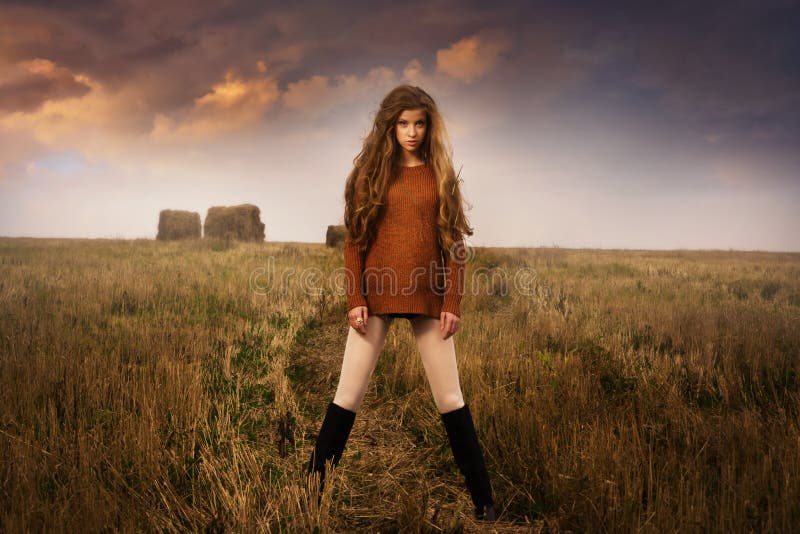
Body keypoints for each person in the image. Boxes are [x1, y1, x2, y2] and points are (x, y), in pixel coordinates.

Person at [306, 85, 496, 521]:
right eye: (403, 123)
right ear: (390, 126)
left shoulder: (440, 176)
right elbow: (355, 243)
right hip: (374, 299)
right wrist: (355, 298)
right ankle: (310, 493)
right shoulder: (369, 176)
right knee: (347, 395)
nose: (411, 132)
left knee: (450, 397)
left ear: (430, 126)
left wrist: (454, 301)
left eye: (420, 123)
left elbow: (457, 246)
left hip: (430, 297)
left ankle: (484, 502)